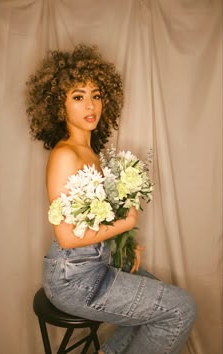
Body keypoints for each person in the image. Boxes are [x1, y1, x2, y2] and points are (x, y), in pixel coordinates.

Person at [26, 44, 196, 354]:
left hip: (96, 267)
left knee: (163, 296)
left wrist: (123, 248)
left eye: (96, 95)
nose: (90, 105)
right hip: (74, 281)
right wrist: (126, 223)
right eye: (78, 96)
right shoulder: (65, 155)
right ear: (58, 106)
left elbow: (91, 218)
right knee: (180, 308)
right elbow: (66, 235)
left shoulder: (89, 152)